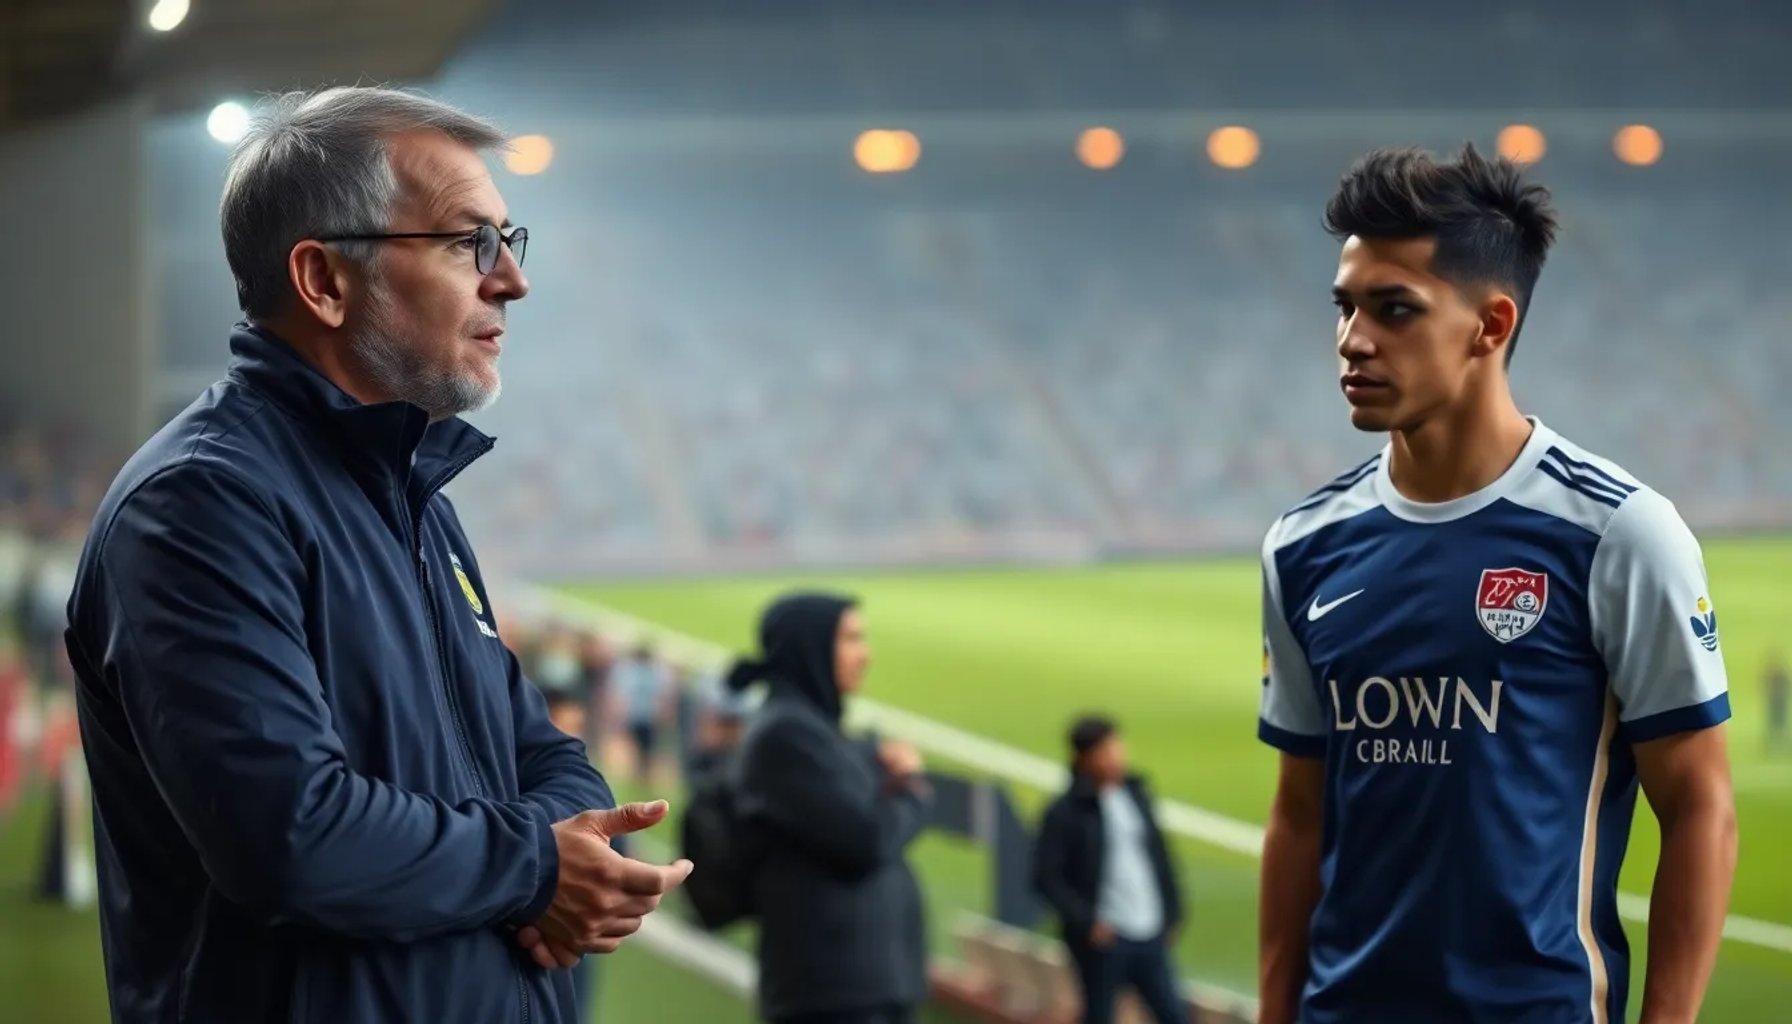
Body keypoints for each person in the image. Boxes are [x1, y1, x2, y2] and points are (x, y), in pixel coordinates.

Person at [62, 86, 691, 1024]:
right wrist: (537, 868)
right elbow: (293, 834)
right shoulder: (200, 505)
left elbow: (540, 751)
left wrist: (565, 849)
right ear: (323, 281)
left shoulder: (410, 496)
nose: (509, 282)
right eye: (466, 243)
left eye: (507, 245)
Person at [1256, 144, 1737, 1024]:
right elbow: (1298, 817)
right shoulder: (1301, 546)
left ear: (1490, 324)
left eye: (1394, 310)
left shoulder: (1620, 535)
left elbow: (1700, 803)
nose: (1353, 339)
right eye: (1345, 306)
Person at [728, 592, 931, 1024]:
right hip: (834, 994)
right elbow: (867, 840)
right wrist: (913, 790)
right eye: (852, 639)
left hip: (860, 986)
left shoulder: (812, 727)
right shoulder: (786, 733)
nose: (866, 654)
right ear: (811, 646)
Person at [1033, 715, 1184, 1024]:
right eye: (1107, 750)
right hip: (1106, 940)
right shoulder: (1065, 813)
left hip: (1150, 933)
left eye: (1117, 747)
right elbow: (1046, 877)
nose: (1117, 756)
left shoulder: (1137, 795)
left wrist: (1172, 913)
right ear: (1084, 758)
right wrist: (1088, 922)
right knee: (1099, 1016)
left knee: (1175, 1015)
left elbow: (1159, 855)